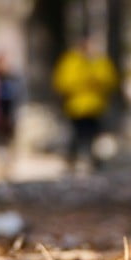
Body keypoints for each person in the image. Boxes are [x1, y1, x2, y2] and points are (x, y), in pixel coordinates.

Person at [53, 37, 117, 169]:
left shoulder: (100, 61)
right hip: (76, 106)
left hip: (95, 106)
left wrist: (96, 81)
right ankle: (72, 160)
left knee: (94, 134)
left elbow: (110, 80)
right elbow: (63, 82)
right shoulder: (71, 61)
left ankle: (94, 160)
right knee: (76, 134)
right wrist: (83, 82)